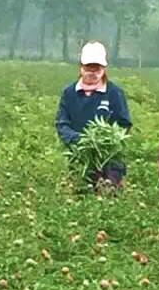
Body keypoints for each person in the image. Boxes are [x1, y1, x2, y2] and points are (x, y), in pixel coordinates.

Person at [56, 41, 132, 188]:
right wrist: (78, 140)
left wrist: (104, 140)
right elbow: (62, 123)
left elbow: (124, 124)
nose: (92, 72)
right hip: (79, 159)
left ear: (103, 68)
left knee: (108, 196)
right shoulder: (69, 93)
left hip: (109, 161)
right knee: (79, 196)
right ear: (81, 67)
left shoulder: (114, 93)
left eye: (96, 68)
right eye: (88, 67)